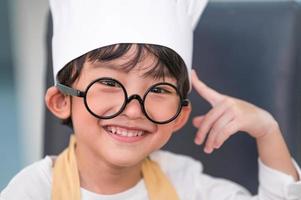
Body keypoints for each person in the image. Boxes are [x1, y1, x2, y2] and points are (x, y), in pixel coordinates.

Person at [1, 0, 301, 199]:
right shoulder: (33, 191)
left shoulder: (186, 184)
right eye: (108, 82)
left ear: (179, 115)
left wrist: (267, 130)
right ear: (61, 101)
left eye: (158, 90)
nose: (133, 109)